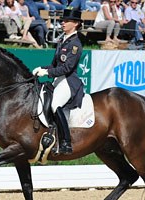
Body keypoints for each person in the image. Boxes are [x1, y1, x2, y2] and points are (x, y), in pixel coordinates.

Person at [32, 9, 85, 154]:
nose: (63, 23)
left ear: (75, 24)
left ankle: (66, 142)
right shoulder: (63, 40)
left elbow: (67, 68)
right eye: (63, 20)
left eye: (66, 21)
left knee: (55, 104)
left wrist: (47, 72)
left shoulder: (75, 44)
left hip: (68, 80)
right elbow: (55, 65)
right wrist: (41, 68)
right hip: (58, 78)